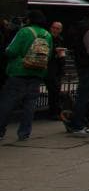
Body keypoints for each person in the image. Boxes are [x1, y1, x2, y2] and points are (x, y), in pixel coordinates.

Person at [0, 9, 52, 142]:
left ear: (30, 19)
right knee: (30, 104)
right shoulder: (47, 35)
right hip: (37, 73)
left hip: (19, 71)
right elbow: (48, 55)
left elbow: (11, 50)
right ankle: (24, 133)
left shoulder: (24, 31)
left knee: (8, 102)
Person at [45, 21, 66, 120]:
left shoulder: (60, 40)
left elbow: (62, 56)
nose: (55, 30)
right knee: (53, 89)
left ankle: (55, 111)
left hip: (57, 66)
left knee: (55, 90)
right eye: (54, 28)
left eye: (57, 28)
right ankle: (53, 112)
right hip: (50, 66)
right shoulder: (48, 38)